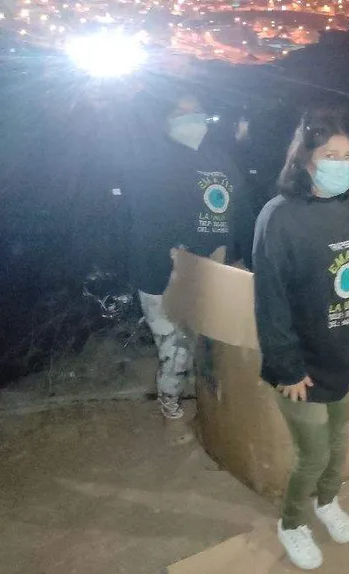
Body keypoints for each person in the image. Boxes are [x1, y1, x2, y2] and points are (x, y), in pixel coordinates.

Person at [252, 108, 349, 570]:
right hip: (302, 363)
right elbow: (271, 300)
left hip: (346, 349)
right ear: (305, 160)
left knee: (339, 442)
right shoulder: (279, 217)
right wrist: (287, 367)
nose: (343, 164)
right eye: (331, 155)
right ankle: (292, 523)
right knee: (312, 453)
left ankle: (327, 501)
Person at [126, 92, 254, 421]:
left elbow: (241, 212)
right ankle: (170, 405)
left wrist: (245, 257)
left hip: (212, 273)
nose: (191, 118)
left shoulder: (220, 159)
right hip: (162, 275)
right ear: (165, 121)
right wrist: (177, 255)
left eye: (196, 110)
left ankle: (208, 405)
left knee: (208, 343)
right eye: (180, 112)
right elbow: (147, 220)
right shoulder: (151, 160)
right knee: (176, 348)